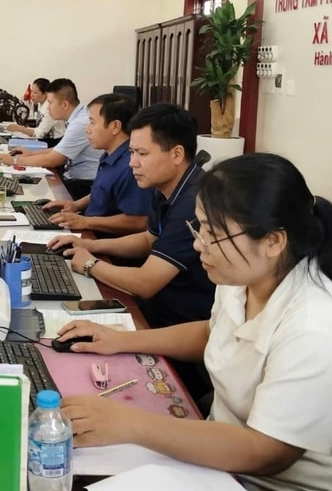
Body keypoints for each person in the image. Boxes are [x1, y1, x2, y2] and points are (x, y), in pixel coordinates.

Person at [57, 153, 332, 491]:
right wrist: (119, 339)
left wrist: (130, 424)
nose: (198, 244)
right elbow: (212, 333)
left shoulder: (319, 330)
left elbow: (267, 452)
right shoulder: (245, 276)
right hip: (218, 457)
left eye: (213, 233)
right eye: (199, 226)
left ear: (273, 241)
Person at [49, 103, 214, 330]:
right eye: (132, 152)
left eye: (142, 154)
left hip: (175, 323)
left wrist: (90, 264)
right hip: (158, 307)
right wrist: (88, 244)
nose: (132, 163)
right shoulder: (165, 187)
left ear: (177, 154)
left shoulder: (193, 204)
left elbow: (146, 283)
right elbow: (148, 239)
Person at [44, 93, 151, 237]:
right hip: (91, 229)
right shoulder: (109, 155)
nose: (87, 129)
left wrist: (86, 222)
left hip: (104, 243)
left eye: (92, 122)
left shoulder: (131, 166)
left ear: (115, 126)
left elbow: (138, 221)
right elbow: (102, 192)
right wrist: (76, 205)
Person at [0, 78, 102, 200]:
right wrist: (31, 153)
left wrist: (14, 161)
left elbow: (53, 159)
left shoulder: (79, 123)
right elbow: (59, 149)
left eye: (50, 103)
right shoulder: (77, 117)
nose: (48, 108)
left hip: (83, 186)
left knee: (33, 194)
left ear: (65, 105)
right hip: (74, 179)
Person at [6, 77, 66, 144]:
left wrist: (20, 129)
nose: (32, 95)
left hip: (53, 143)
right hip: (43, 141)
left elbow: (39, 134)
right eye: (32, 91)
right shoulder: (40, 104)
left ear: (45, 93)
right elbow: (39, 128)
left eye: (35, 93)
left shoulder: (50, 108)